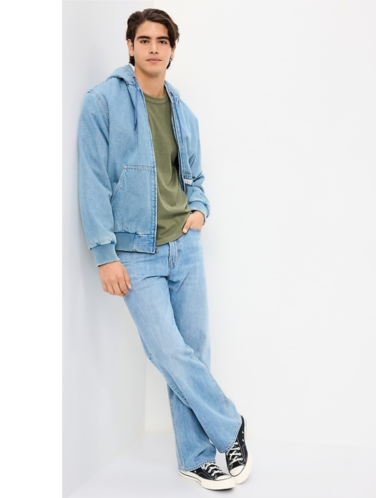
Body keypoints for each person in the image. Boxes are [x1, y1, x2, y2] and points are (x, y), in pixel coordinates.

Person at [77, 8, 252, 492]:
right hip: (135, 253)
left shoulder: (183, 112)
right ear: (130, 47)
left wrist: (199, 212)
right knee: (171, 353)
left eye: (162, 40)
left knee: (193, 354)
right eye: (144, 40)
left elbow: (195, 177)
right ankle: (231, 426)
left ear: (172, 50)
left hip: (184, 246)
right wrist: (105, 254)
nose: (153, 48)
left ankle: (195, 459)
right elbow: (92, 181)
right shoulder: (103, 102)